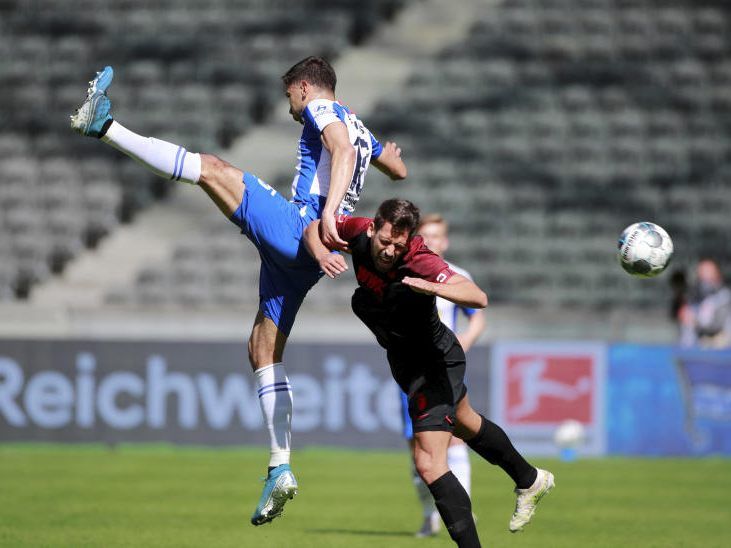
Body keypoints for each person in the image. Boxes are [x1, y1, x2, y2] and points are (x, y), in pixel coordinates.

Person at [70, 57, 407, 525]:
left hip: (301, 227)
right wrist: (390, 158)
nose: (290, 104)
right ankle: (279, 466)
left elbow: (343, 151)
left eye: (290, 94)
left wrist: (328, 214)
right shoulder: (359, 125)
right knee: (262, 349)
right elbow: (393, 168)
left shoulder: (323, 111)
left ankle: (103, 125)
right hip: (303, 260)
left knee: (211, 169)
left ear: (305, 87)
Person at [303, 199, 553, 547]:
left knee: (429, 463)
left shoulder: (419, 258)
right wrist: (320, 254)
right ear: (373, 228)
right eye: (385, 242)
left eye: (399, 246)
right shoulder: (356, 230)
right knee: (467, 422)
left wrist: (432, 287)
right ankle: (529, 479)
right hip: (406, 360)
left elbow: (477, 297)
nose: (390, 251)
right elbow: (313, 228)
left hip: (433, 361)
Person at [405, 214, 486, 537]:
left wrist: (461, 344)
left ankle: (462, 511)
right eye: (425, 236)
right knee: (418, 453)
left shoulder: (456, 275)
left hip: (443, 371)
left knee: (454, 441)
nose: (432, 242)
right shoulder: (408, 274)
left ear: (445, 241)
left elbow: (477, 319)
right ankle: (430, 515)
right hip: (411, 371)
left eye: (437, 236)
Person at [678, 259, 731, 348]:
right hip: (700, 346)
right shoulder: (695, 297)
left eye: (708, 272)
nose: (704, 277)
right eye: (701, 273)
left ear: (717, 274)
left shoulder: (725, 296)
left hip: (723, 347)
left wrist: (695, 320)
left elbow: (715, 324)